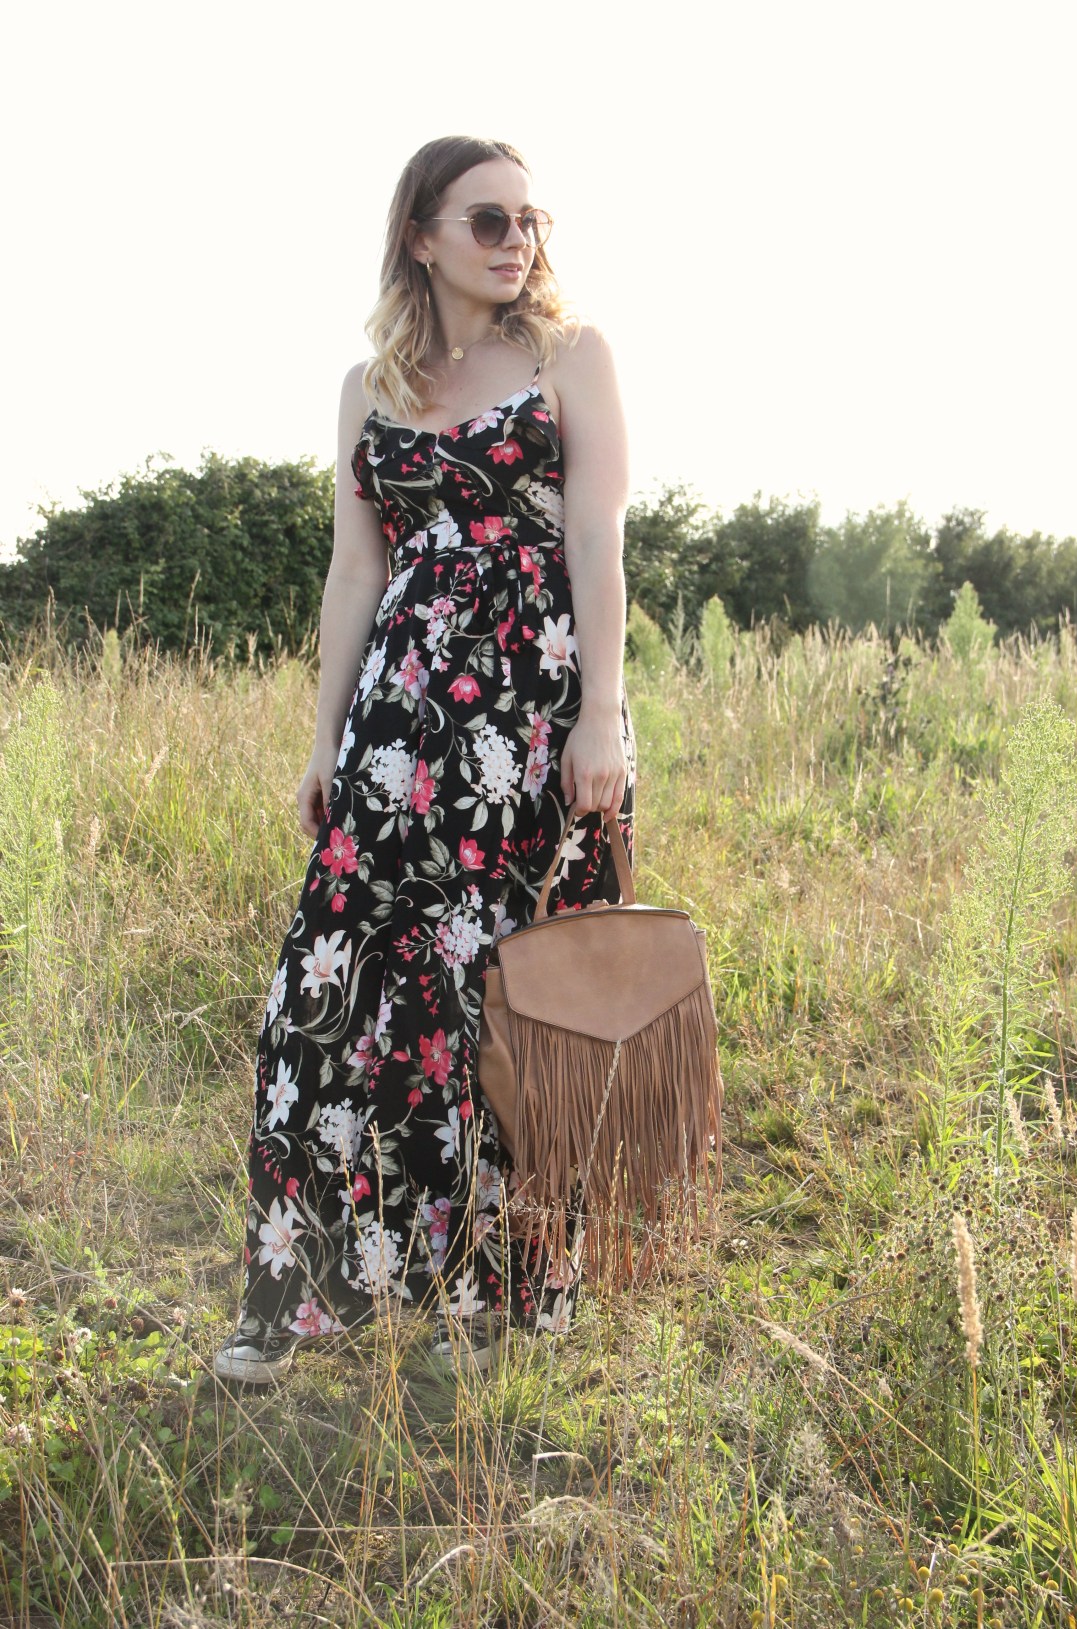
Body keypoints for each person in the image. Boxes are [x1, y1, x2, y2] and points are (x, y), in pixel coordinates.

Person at [213, 135, 636, 1385]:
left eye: (529, 219)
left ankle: (508, 1300)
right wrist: (323, 736)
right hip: (397, 728)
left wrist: (600, 716)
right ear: (422, 237)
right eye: (488, 220)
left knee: (516, 1000)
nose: (517, 242)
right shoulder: (370, 383)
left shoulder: (572, 356)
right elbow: (356, 570)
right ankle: (298, 1294)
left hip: (529, 721)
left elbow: (599, 541)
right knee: (328, 993)